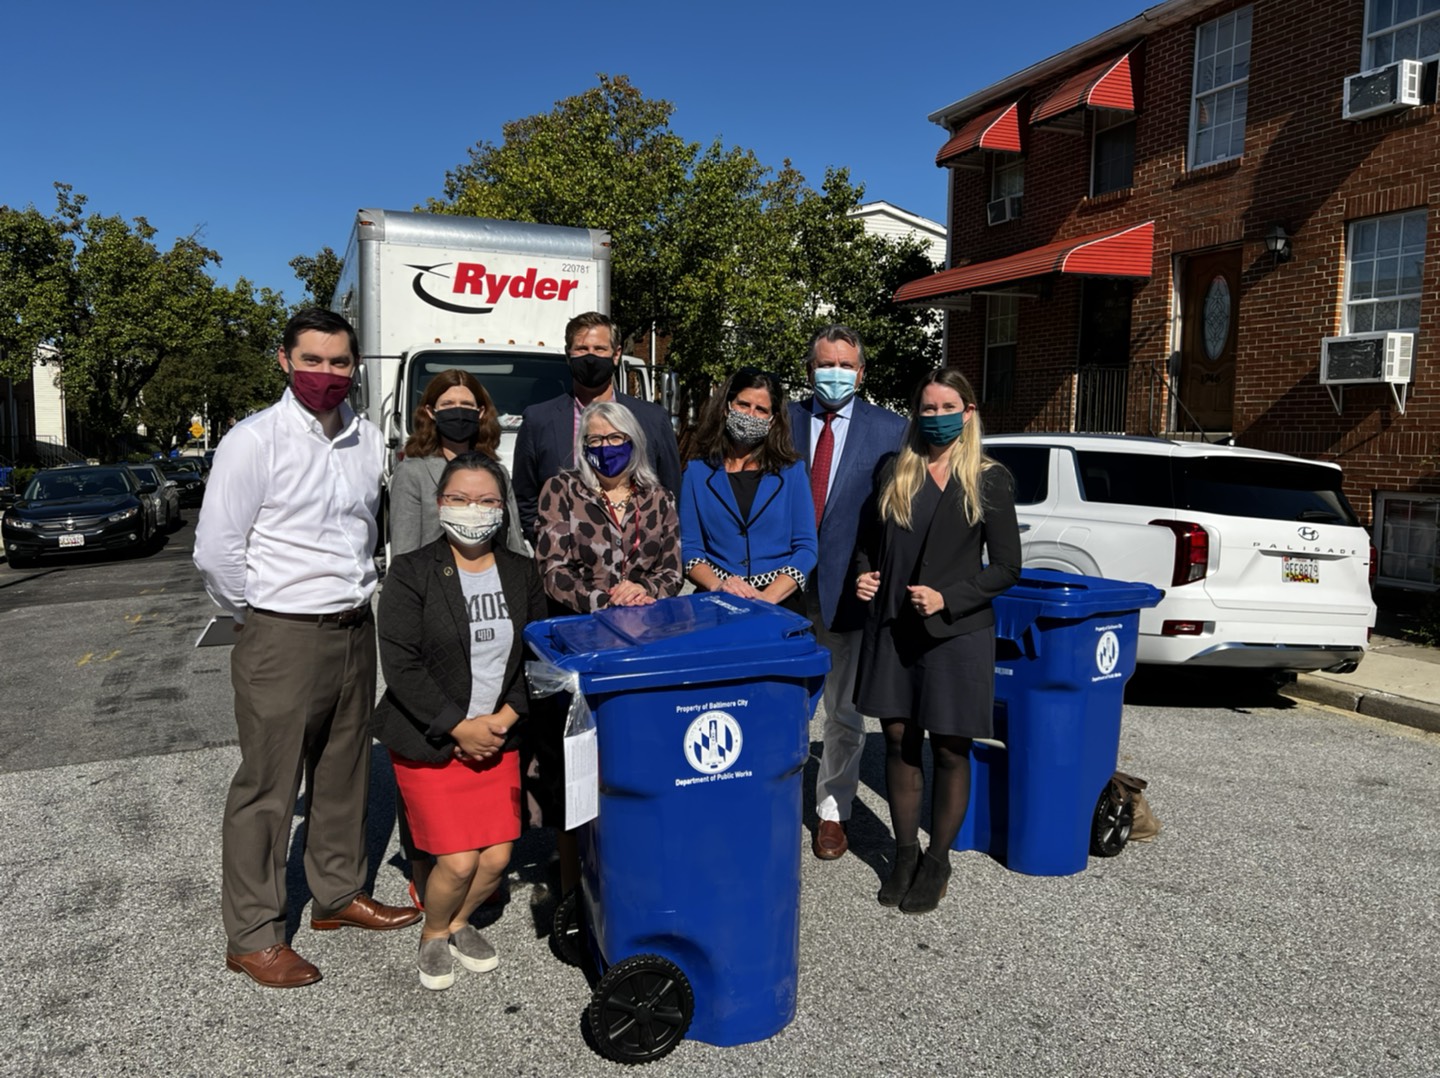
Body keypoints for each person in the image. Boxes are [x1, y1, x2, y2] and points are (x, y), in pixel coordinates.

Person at [194, 308, 421, 990]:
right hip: (282, 633)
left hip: (355, 628)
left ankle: (337, 894)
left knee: (344, 773)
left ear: (356, 367)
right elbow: (215, 553)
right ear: (284, 361)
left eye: (340, 363)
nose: (327, 374)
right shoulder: (252, 442)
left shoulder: (366, 438)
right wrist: (260, 617)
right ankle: (254, 934)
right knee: (267, 787)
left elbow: (364, 534)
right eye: (312, 361)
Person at [370, 453, 546, 990]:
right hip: (434, 740)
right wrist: (457, 726)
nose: (474, 510)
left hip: (498, 737)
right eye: (460, 499)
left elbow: (535, 654)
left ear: (505, 509)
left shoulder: (521, 571)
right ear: (441, 503)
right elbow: (400, 663)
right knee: (459, 862)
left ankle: (460, 921)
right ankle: (433, 933)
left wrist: (508, 716)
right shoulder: (413, 570)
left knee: (496, 861)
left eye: (488, 500)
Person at [853, 368, 1021, 915]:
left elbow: (1007, 569)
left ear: (968, 412)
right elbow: (866, 543)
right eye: (926, 408)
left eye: (947, 406)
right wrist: (864, 574)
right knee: (900, 741)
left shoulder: (989, 479)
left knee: (950, 747)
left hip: (956, 634)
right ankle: (904, 854)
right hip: (894, 628)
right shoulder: (894, 470)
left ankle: (938, 858)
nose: (936, 416)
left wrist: (950, 597)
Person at [531, 401, 683, 894]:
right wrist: (604, 602)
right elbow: (552, 569)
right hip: (580, 643)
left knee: (633, 756)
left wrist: (645, 593)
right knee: (576, 761)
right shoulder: (562, 490)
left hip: (640, 650)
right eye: (594, 441)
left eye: (614, 438)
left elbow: (671, 569)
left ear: (634, 440)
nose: (605, 448)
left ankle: (631, 861)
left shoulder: (655, 496)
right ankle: (574, 876)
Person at [788, 326, 907, 862]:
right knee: (781, 705)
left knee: (842, 711)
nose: (833, 373)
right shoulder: (781, 422)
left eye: (844, 365)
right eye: (823, 363)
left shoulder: (890, 430)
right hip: (778, 592)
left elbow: (900, 515)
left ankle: (833, 811)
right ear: (809, 368)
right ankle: (769, 799)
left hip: (846, 593)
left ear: (861, 372)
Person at [511, 312, 681, 545]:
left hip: (636, 564)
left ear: (616, 354)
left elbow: (670, 494)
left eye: (600, 349)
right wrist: (550, 547)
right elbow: (526, 498)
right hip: (566, 565)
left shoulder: (652, 419)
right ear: (568, 354)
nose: (590, 357)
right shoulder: (538, 420)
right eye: (581, 349)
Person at [679, 367, 817, 614]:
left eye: (761, 410)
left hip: (781, 605)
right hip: (717, 604)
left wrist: (766, 598)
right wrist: (718, 585)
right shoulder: (697, 472)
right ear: (727, 407)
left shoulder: (792, 471)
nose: (751, 415)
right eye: (743, 405)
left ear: (772, 419)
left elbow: (806, 547)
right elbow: (690, 548)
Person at [389, 369, 527, 557]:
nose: (458, 411)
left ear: (480, 412)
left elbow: (514, 542)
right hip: (435, 582)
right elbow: (404, 551)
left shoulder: (498, 472)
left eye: (466, 404)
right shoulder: (412, 473)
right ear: (431, 412)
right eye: (448, 404)